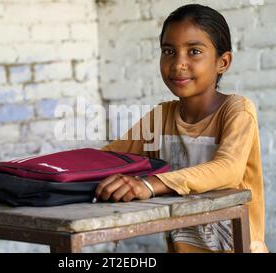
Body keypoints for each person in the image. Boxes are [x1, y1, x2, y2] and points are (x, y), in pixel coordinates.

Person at [95, 4, 267, 253]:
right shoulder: (161, 116)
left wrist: (149, 184)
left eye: (194, 51)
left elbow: (228, 170)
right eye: (169, 51)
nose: (178, 64)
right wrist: (42, 173)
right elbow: (109, 159)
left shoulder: (237, 110)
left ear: (223, 62)